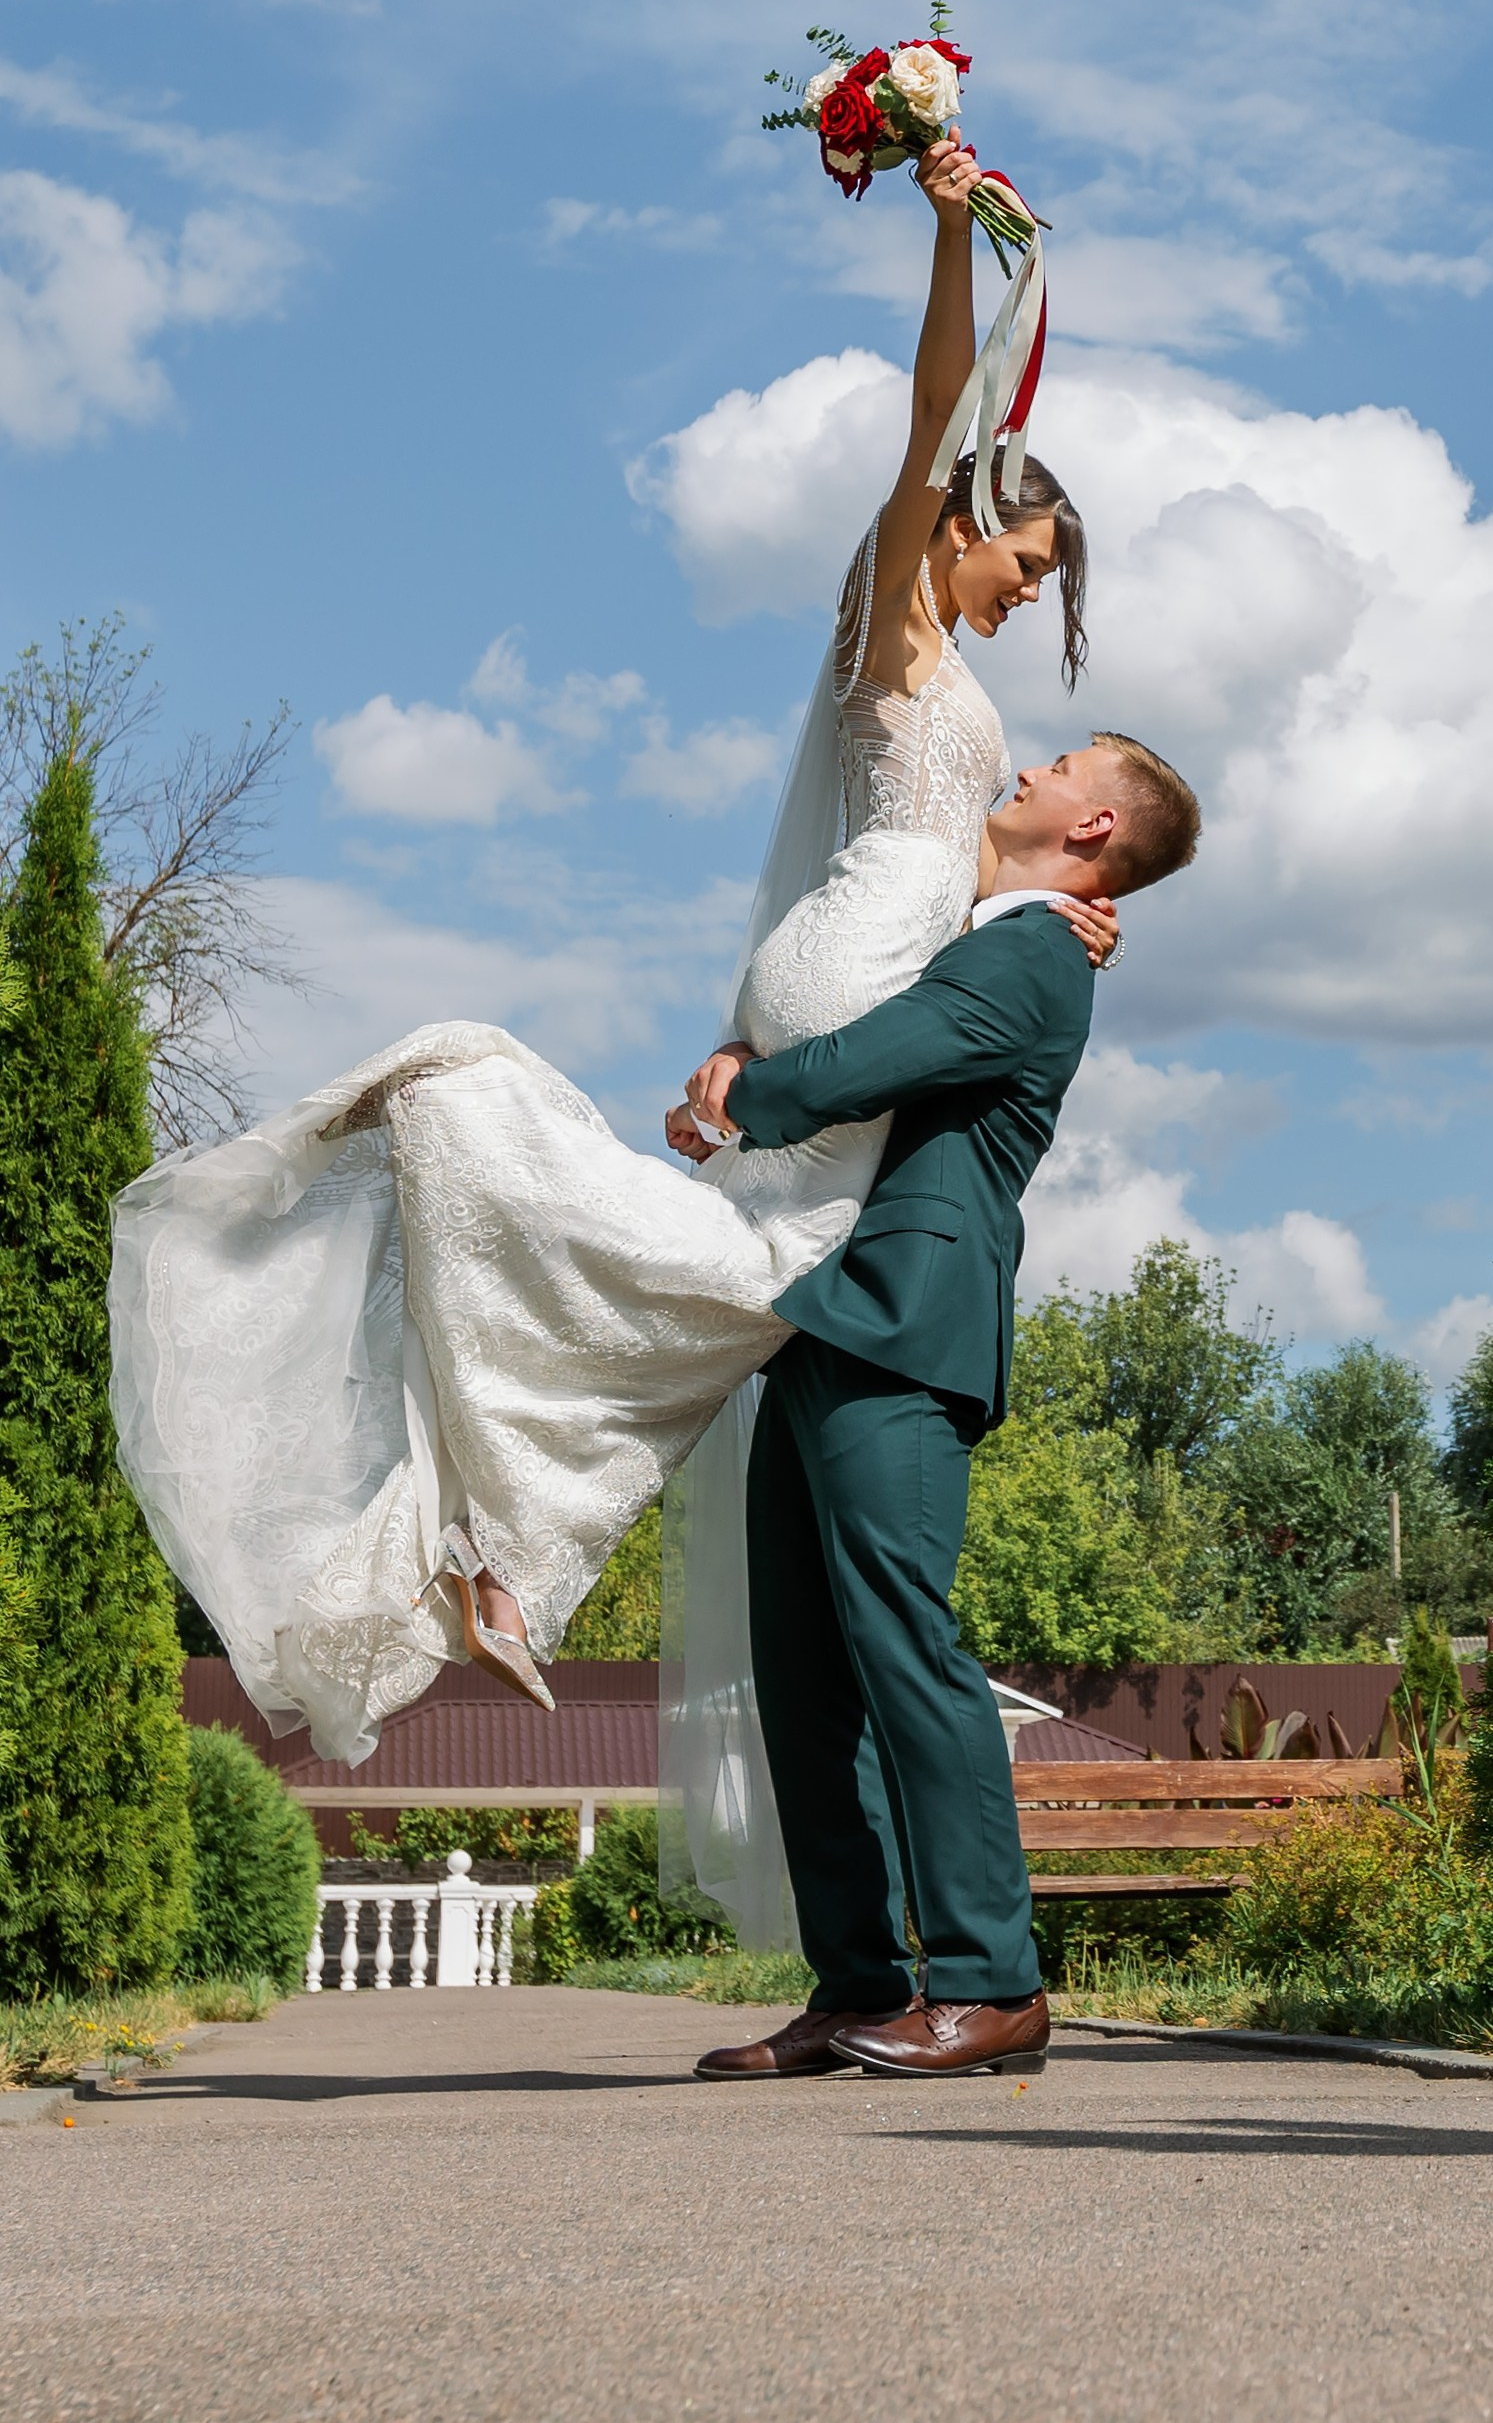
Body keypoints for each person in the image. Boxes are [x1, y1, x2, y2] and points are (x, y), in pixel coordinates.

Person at [109, 144, 1110, 1765]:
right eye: (1026, 561)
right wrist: (946, 240)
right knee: (512, 1144)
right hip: (822, 1083)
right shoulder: (894, 631)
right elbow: (932, 418)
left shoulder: (972, 723)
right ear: (974, 521)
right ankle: (486, 1543)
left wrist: (1051, 912)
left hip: (834, 1097)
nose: (1023, 594)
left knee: (670, 1320)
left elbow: (978, 888)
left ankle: (491, 1558)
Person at [684, 727, 1202, 2082]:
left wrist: (749, 1086)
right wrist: (751, 1050)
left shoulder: (1030, 958)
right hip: (812, 1317)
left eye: (1062, 766)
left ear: (1095, 832)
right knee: (801, 1678)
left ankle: (992, 1984)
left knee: (906, 1649)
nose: (1026, 767)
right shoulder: (994, 931)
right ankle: (853, 1985)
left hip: (906, 1327)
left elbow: (855, 1072)